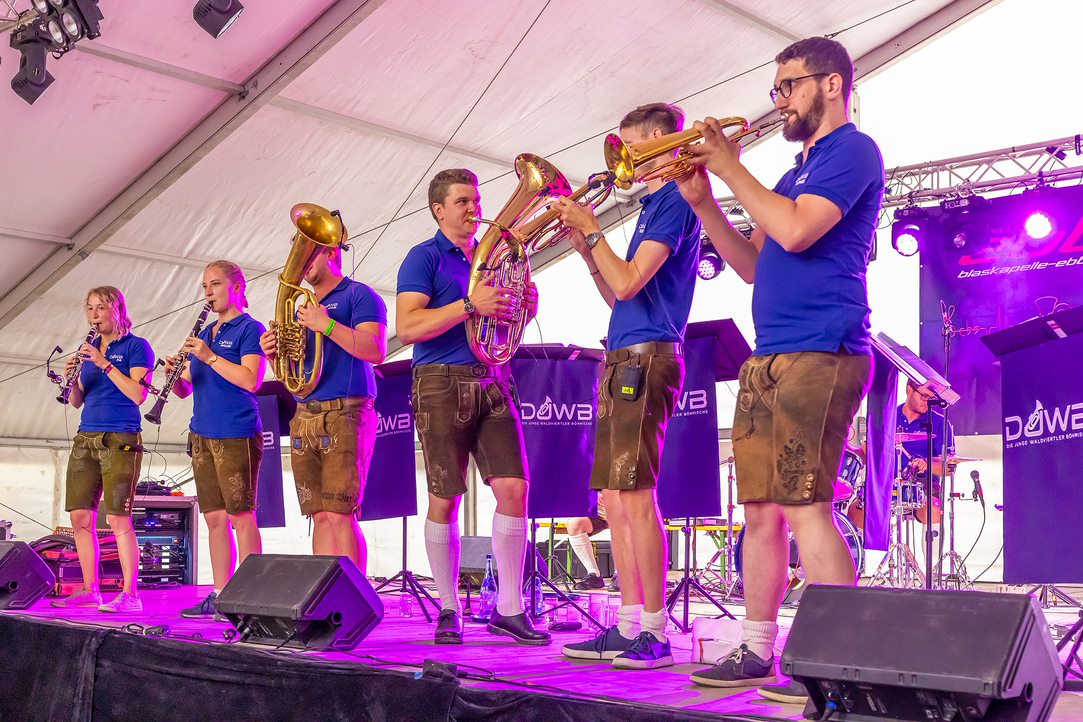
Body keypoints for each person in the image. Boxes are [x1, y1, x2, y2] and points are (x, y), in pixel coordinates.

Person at [675, 36, 884, 702]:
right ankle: (757, 649)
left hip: (822, 349)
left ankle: (839, 662)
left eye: (788, 85)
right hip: (770, 357)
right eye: (777, 87)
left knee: (804, 506)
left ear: (830, 85)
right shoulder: (792, 172)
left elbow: (797, 233)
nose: (779, 99)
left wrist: (732, 170)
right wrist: (704, 202)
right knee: (759, 512)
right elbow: (752, 264)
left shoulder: (853, 150)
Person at [555, 102, 702, 669]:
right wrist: (585, 247)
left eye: (632, 148)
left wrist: (593, 232)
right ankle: (627, 622)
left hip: (646, 358)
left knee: (636, 496)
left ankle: (656, 632)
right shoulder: (650, 205)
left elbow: (630, 279)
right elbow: (617, 291)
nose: (624, 161)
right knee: (614, 499)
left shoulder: (671, 202)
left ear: (662, 144)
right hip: (624, 356)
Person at [396, 167, 549, 646]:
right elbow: (407, 329)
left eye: (476, 201)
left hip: (494, 378)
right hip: (440, 382)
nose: (474, 209)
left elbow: (508, 320)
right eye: (463, 201)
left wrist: (525, 303)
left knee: (515, 488)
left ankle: (509, 607)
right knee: (446, 497)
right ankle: (447, 607)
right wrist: (468, 305)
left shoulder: (497, 256)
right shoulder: (422, 258)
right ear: (439, 210)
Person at [259, 245, 387, 572]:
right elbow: (294, 376)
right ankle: (325, 596)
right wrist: (274, 355)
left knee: (340, 513)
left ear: (331, 253)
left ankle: (354, 599)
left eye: (309, 254)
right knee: (319, 515)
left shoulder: (360, 295)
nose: (302, 264)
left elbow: (376, 350)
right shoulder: (301, 308)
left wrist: (327, 326)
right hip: (305, 414)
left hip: (347, 411)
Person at [167, 261, 267, 619]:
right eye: (205, 286)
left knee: (242, 516)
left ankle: (251, 594)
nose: (207, 293)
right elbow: (186, 390)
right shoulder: (206, 332)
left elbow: (250, 379)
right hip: (203, 432)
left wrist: (209, 357)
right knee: (214, 519)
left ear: (236, 288)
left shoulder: (249, 328)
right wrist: (173, 377)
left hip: (236, 432)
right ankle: (221, 593)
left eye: (215, 285)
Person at [51, 286, 154, 613]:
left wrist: (105, 363)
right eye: (90, 309)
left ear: (117, 311)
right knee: (80, 514)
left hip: (121, 436)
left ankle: (130, 595)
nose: (94, 315)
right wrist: (73, 381)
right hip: (87, 435)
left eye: (100, 309)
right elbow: (78, 400)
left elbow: (138, 394)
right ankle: (88, 588)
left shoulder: (137, 347)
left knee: (118, 518)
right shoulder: (90, 348)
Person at [897, 381, 955, 523]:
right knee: (858, 508)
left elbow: (948, 468)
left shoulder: (940, 422)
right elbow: (868, 454)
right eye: (924, 396)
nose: (927, 402)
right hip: (888, 481)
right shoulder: (887, 417)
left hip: (924, 483)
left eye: (931, 398)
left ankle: (933, 545)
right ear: (909, 389)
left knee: (934, 509)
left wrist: (927, 464)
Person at [566, 493, 609, 591]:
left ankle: (620, 574)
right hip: (601, 511)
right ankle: (594, 574)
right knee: (575, 524)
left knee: (623, 525)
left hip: (625, 508)